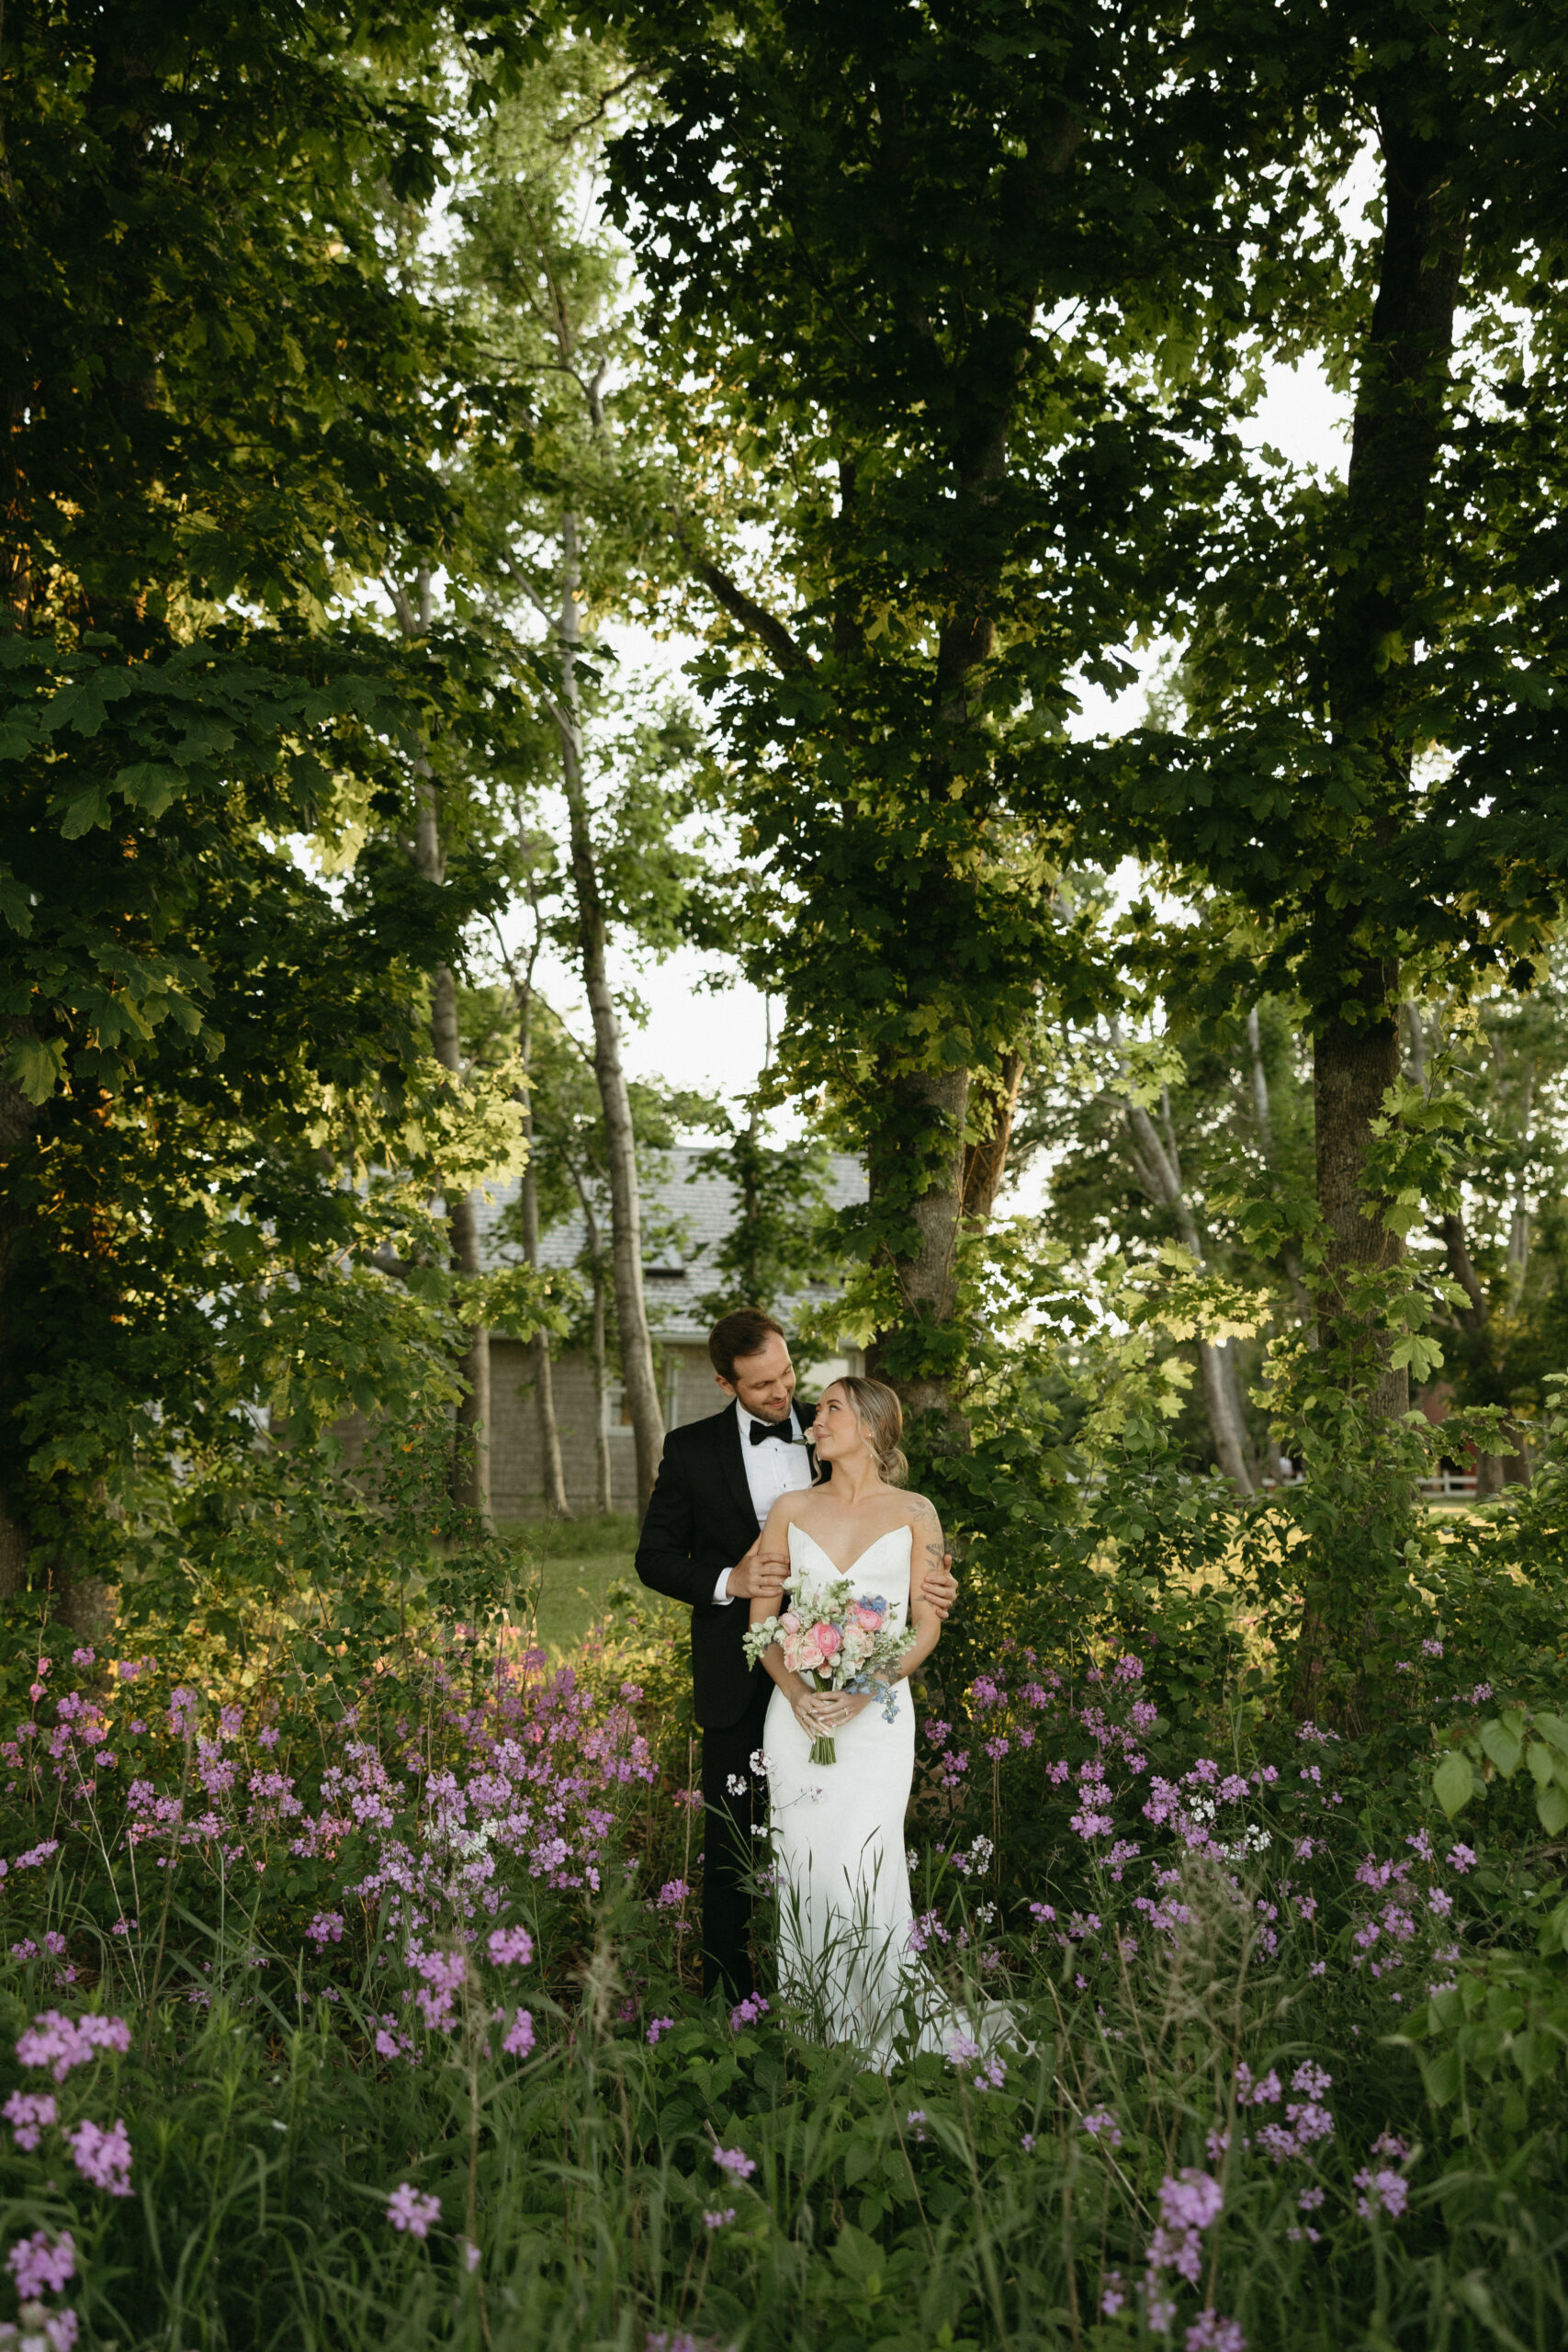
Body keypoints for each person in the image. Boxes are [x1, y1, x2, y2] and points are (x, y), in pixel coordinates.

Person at [634, 1309, 959, 1999]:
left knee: (852, 1848)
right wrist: (729, 1581)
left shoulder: (835, 1422)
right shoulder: (690, 1450)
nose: (784, 1394)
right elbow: (653, 1558)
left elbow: (907, 1572)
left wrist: (932, 1588)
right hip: (744, 1667)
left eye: (786, 1374)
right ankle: (732, 2000)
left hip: (861, 1689)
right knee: (732, 1845)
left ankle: (860, 1995)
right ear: (727, 1383)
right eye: (762, 1385)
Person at [750, 1375, 953, 2059]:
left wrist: (865, 1690)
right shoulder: (788, 1507)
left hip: (878, 1715)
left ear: (868, 1426)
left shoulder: (915, 1512)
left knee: (864, 1863)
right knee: (805, 1867)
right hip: (797, 1717)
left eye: (831, 1407)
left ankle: (885, 2029)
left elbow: (924, 1626)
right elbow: (763, 1622)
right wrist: (798, 1691)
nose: (816, 1416)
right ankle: (816, 2032)